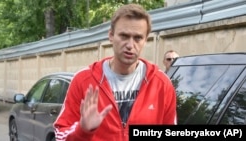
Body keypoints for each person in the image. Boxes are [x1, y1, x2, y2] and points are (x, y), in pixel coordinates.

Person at [54, 3, 177, 141]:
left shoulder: (161, 84)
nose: (130, 45)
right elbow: (60, 135)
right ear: (111, 35)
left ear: (145, 40)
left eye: (137, 38)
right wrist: (82, 130)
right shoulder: (83, 80)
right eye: (124, 36)